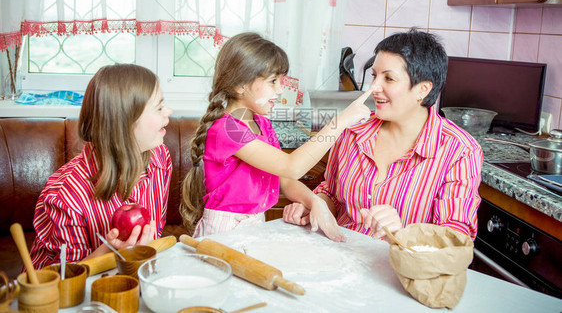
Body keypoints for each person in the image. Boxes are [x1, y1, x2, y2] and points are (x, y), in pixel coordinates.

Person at [283, 29, 483, 241]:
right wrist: (316, 206)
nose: (373, 87)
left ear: (422, 89)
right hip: (341, 257)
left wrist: (402, 235)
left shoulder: (460, 150)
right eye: (374, 76)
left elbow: (456, 238)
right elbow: (332, 193)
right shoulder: (354, 130)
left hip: (401, 269)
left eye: (388, 78)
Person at [180, 32, 374, 240]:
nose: (280, 89)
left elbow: (285, 179)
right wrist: (340, 121)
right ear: (240, 86)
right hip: (225, 230)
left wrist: (314, 201)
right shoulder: (228, 129)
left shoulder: (262, 124)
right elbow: (292, 166)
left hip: (254, 223)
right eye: (273, 81)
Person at [29, 64, 173, 269]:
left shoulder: (161, 159)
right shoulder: (65, 194)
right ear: (125, 122)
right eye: (159, 107)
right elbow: (67, 278)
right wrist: (111, 249)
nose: (169, 111)